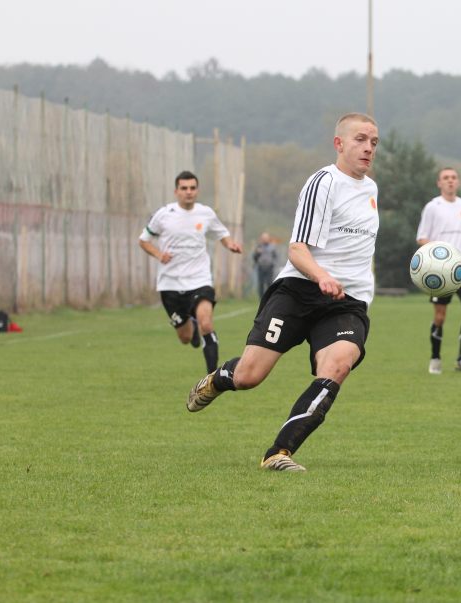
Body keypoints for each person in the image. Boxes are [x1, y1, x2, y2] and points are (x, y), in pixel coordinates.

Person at [186, 113, 380, 472]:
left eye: (374, 142)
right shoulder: (323, 183)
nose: (368, 147)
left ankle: (279, 452)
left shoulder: (371, 189)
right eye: (360, 139)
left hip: (346, 303)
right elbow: (297, 249)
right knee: (249, 377)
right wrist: (322, 276)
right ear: (339, 144)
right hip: (300, 291)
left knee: (337, 366)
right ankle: (218, 379)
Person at [139, 170, 243, 374]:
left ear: (197, 190)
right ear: (176, 191)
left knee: (206, 323)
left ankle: (211, 380)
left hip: (199, 280)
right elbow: (143, 240)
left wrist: (230, 244)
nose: (189, 192)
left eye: (192, 188)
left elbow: (222, 234)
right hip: (170, 284)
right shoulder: (163, 215)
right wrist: (159, 255)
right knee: (186, 338)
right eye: (184, 188)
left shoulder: (206, 213)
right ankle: (191, 328)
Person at [416, 167, 461, 374]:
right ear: (439, 183)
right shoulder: (432, 207)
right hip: (441, 272)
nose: (450, 181)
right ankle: (435, 358)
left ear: (458, 182)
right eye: (446, 178)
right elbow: (422, 238)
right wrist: (438, 251)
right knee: (440, 317)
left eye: (453, 178)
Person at [252, 232, 280, 297]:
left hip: (269, 267)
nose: (265, 239)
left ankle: (269, 297)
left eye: (266, 238)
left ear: (268, 239)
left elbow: (276, 257)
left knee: (269, 283)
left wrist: (273, 263)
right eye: (263, 238)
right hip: (261, 267)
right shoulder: (258, 247)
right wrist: (257, 253)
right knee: (261, 284)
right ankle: (261, 298)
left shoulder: (272, 247)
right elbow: (254, 258)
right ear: (261, 239)